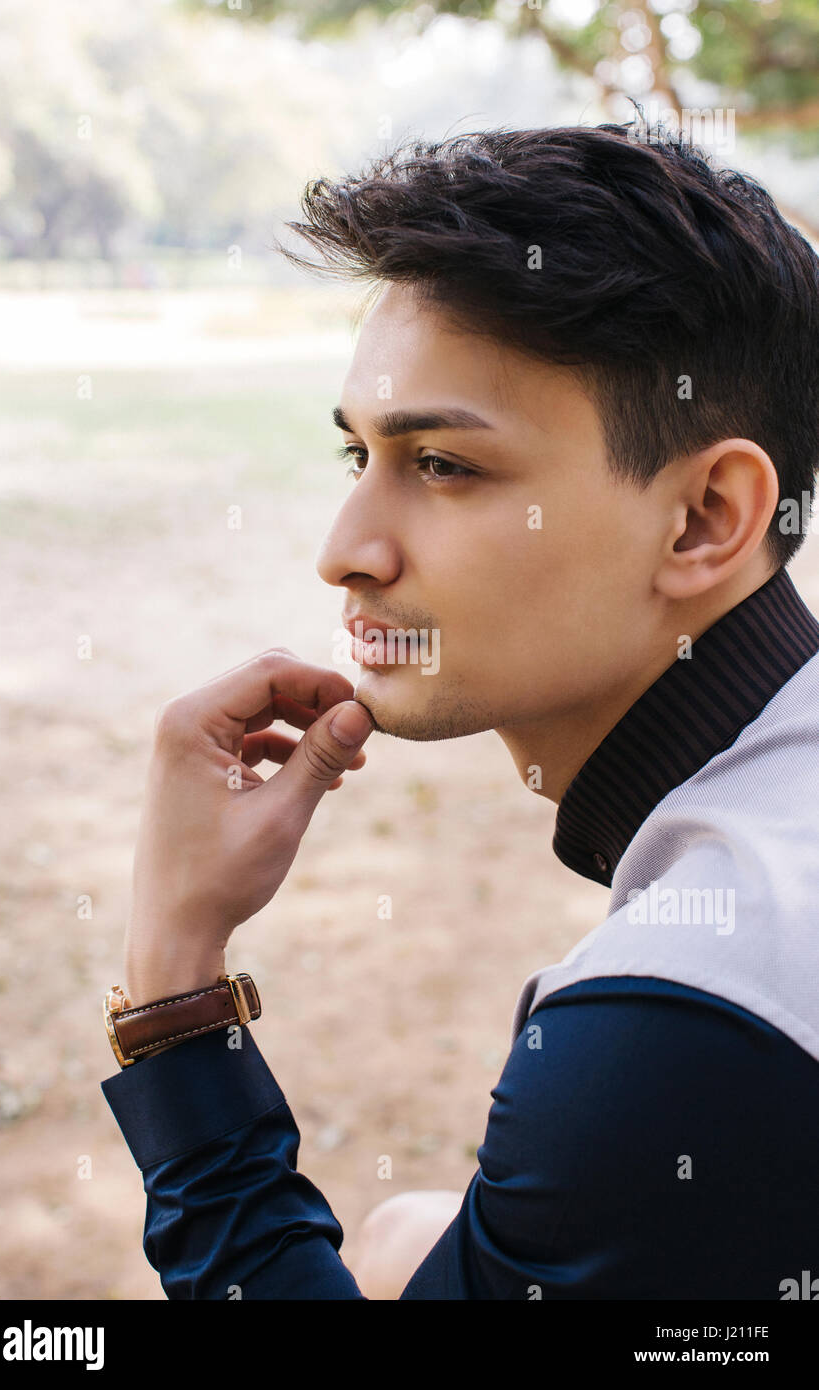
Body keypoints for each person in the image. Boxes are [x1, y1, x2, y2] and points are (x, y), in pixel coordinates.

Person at [101, 119, 819, 1299]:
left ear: (702, 519)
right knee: (401, 1242)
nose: (345, 553)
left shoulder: (676, 1027)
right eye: (358, 459)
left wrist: (173, 974)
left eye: (441, 464)